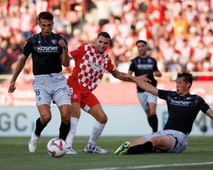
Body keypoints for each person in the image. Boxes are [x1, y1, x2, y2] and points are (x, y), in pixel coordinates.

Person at [114, 70, 213, 155]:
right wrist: (132, 78)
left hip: (178, 138)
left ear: (188, 84)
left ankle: (131, 152)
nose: (177, 85)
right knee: (130, 143)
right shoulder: (171, 95)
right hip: (164, 132)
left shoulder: (196, 100)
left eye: (180, 83)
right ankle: (133, 149)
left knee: (153, 141)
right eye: (176, 83)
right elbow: (150, 89)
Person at [8, 12, 71, 153]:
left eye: (49, 25)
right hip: (41, 81)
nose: (47, 28)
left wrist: (65, 49)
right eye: (44, 25)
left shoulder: (60, 40)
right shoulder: (32, 41)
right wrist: (13, 80)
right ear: (39, 24)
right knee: (46, 117)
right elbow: (22, 60)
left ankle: (60, 144)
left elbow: (66, 64)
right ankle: (36, 134)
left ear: (53, 24)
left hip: (58, 79)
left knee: (67, 115)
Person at [65, 32, 132, 154]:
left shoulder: (106, 59)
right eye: (100, 42)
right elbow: (66, 58)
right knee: (75, 112)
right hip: (74, 84)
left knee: (102, 118)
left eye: (105, 43)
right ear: (96, 40)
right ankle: (67, 146)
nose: (102, 45)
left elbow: (116, 74)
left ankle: (90, 146)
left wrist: (135, 79)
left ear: (108, 44)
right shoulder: (85, 48)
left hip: (86, 92)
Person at [128, 40, 162, 133]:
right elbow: (129, 76)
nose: (141, 48)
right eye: (138, 46)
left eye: (142, 46)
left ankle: (155, 133)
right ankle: (154, 131)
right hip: (140, 90)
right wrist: (139, 78)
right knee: (148, 114)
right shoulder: (134, 61)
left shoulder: (152, 60)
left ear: (146, 47)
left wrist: (159, 74)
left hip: (152, 89)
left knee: (152, 111)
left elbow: (157, 72)